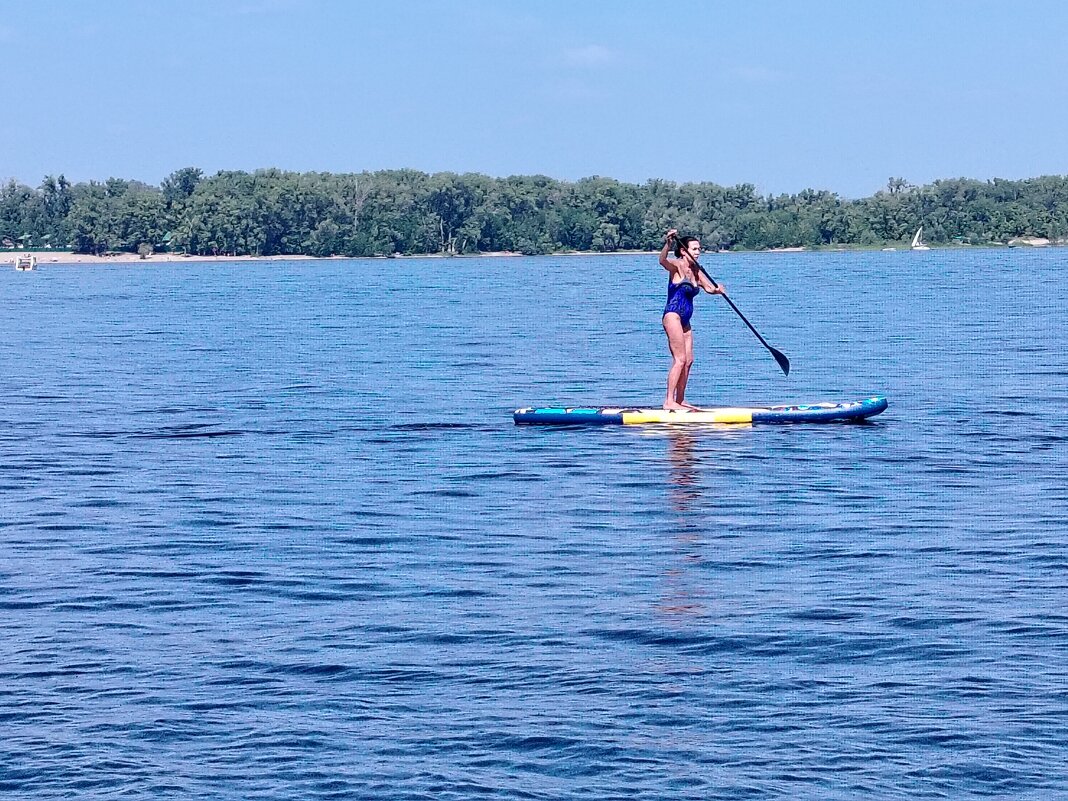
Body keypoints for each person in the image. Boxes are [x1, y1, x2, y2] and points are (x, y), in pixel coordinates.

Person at [658, 228, 725, 410]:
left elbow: (708, 288)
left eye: (699, 249)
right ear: (683, 250)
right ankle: (669, 402)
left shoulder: (696, 271)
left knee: (689, 360)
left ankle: (680, 400)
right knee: (679, 359)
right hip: (673, 315)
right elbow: (662, 261)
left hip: (686, 321)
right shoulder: (677, 266)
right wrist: (668, 243)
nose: (698, 252)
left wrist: (717, 290)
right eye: (694, 249)